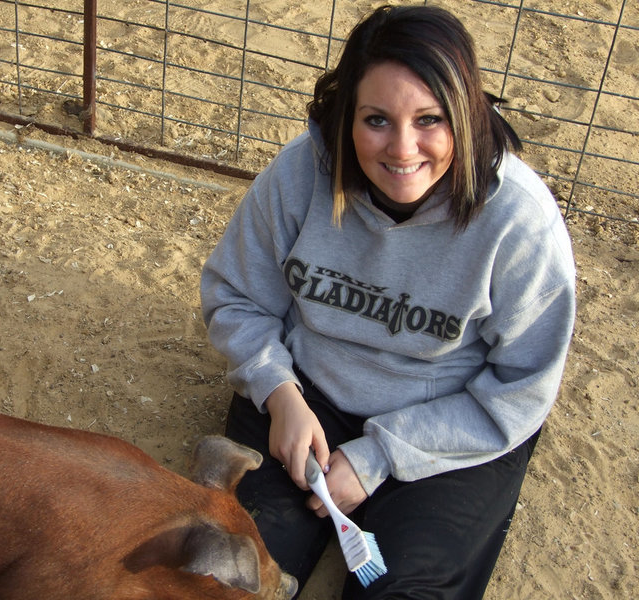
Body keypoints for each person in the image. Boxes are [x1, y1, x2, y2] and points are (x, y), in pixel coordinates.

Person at [200, 5, 576, 600]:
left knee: (402, 592)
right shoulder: (303, 172)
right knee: (225, 574)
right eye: (377, 119)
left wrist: (378, 456)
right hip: (308, 398)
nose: (403, 149)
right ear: (345, 115)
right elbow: (236, 295)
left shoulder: (519, 221)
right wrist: (277, 391)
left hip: (447, 426)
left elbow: (520, 386)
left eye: (430, 119)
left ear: (468, 115)